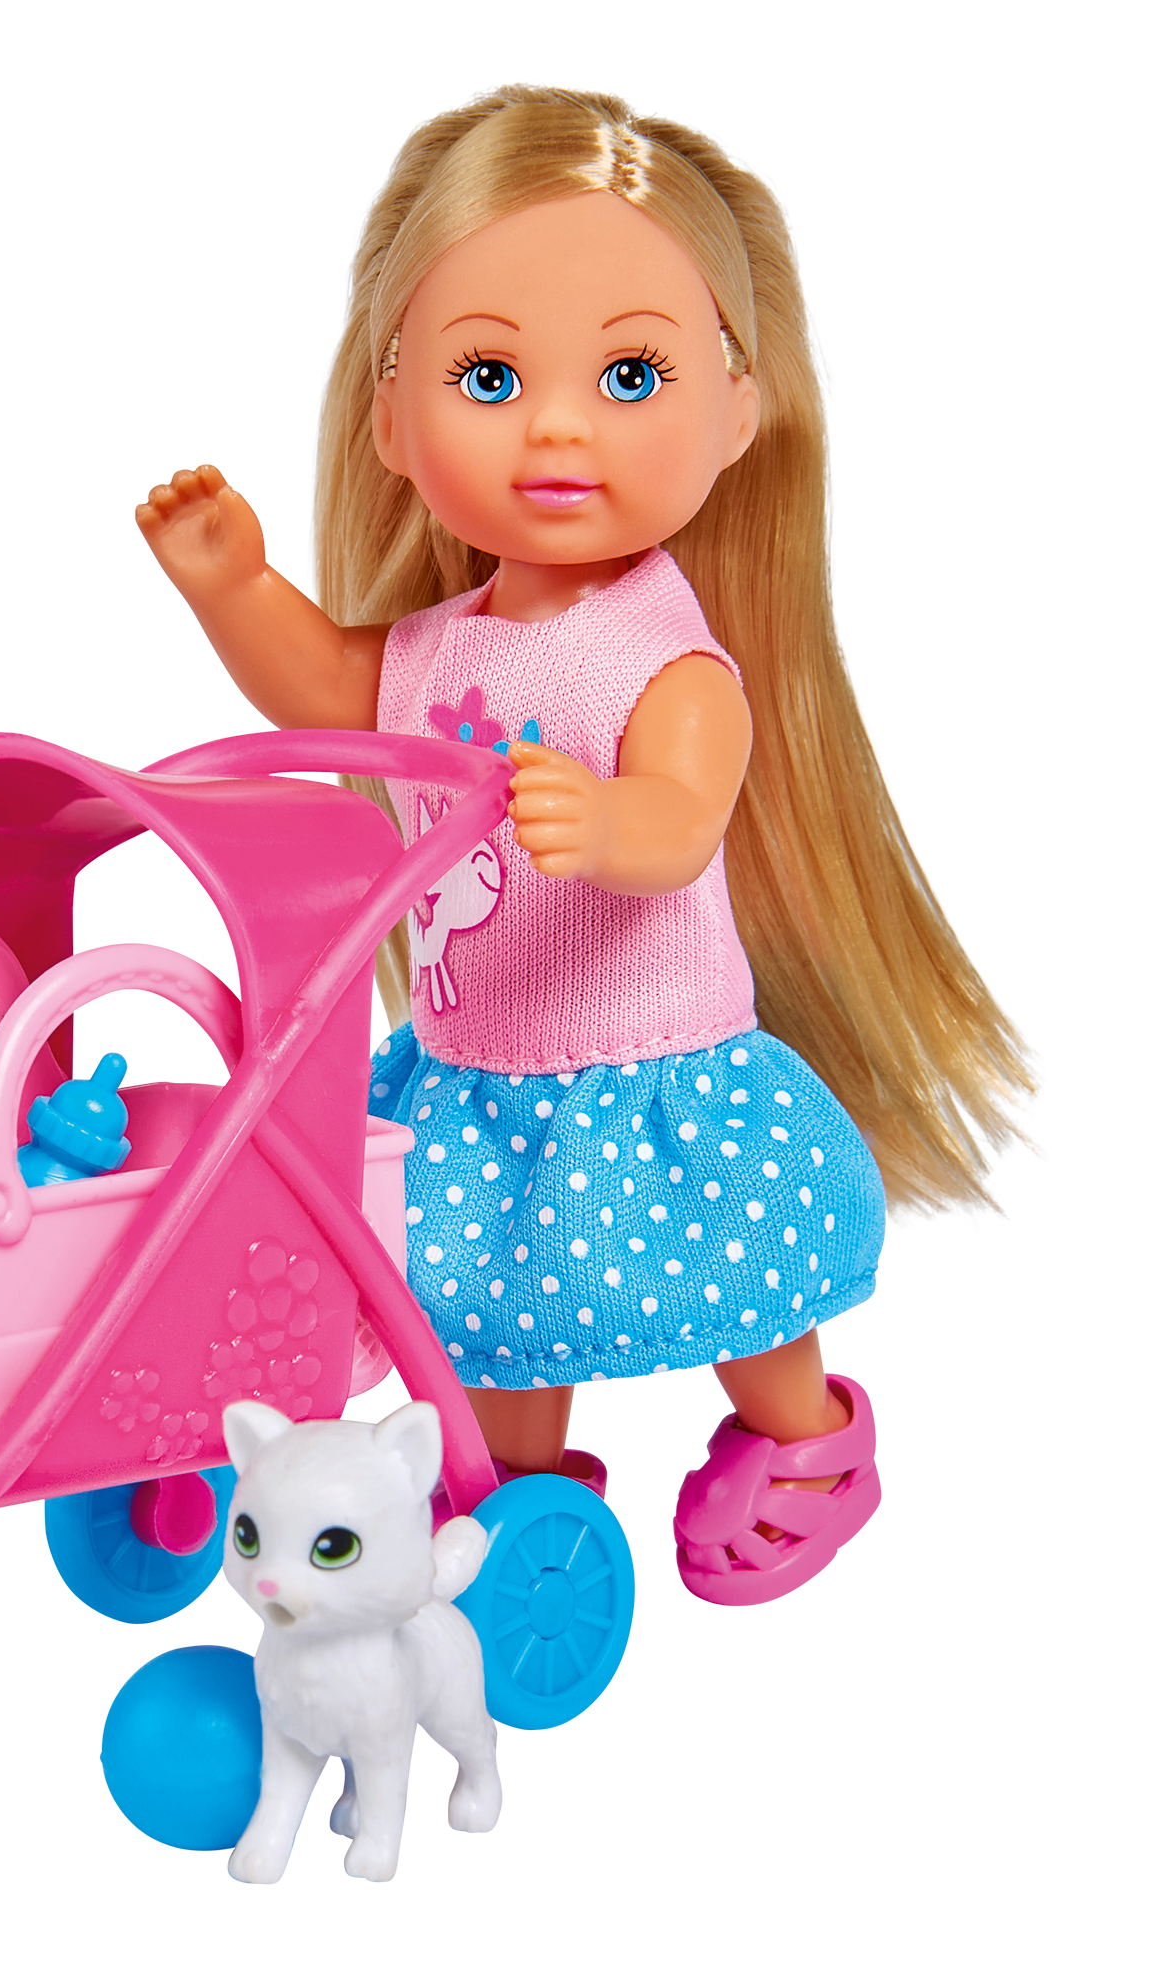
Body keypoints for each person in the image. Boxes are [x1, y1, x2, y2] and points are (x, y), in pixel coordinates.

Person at [135, 86, 1036, 1598]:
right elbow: (333, 688)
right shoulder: (436, 646)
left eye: (630, 374)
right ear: (391, 417)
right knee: (485, 1308)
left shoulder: (665, 660)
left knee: (742, 1291)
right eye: (488, 376)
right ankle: (517, 1491)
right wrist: (235, 585)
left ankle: (807, 1433)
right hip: (480, 1070)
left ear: (736, 410)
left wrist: (607, 822)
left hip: (653, 1073)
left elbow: (684, 817)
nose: (556, 425)